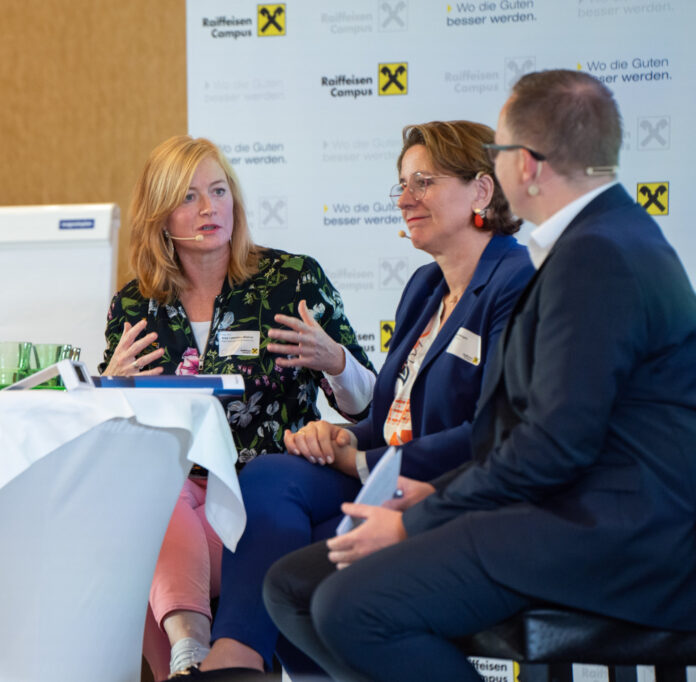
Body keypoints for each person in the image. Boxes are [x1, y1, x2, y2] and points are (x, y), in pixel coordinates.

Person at [264, 69, 696, 681]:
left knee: (351, 604)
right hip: (574, 512)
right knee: (298, 584)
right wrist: (439, 493)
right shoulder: (606, 240)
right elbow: (534, 432)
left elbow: (553, 447)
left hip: (614, 538)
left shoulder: (595, 257)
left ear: (525, 164)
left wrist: (420, 517)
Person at [195, 121, 535, 679]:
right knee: (267, 476)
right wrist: (343, 436)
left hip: (447, 486)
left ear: (481, 190)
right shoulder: (425, 287)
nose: (404, 200)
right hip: (382, 469)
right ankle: (237, 658)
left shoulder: (513, 283)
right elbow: (391, 413)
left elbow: (494, 430)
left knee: (299, 568)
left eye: (422, 182)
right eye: (401, 184)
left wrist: (362, 459)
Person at [99, 135, 377, 680]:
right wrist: (108, 386)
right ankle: (191, 649)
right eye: (189, 197)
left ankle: (191, 655)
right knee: (149, 482)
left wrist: (335, 360)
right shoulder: (136, 304)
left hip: (262, 503)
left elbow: (368, 404)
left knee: (144, 517)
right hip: (174, 503)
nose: (209, 209)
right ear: (159, 216)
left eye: (219, 191)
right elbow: (114, 432)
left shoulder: (291, 281)